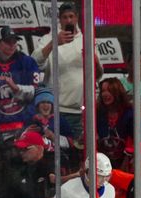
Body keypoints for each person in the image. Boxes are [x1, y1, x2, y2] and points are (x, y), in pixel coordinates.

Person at [32, 2, 103, 140]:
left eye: (71, 16)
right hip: (54, 111)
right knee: (52, 152)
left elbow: (98, 75)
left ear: (76, 18)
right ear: (59, 19)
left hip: (79, 111)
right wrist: (54, 43)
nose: (69, 20)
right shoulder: (49, 38)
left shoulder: (87, 40)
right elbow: (35, 62)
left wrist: (94, 60)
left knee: (76, 153)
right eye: (65, 17)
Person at [0, 27, 41, 144]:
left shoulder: (28, 62)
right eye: (8, 41)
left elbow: (37, 91)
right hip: (0, 125)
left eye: (14, 41)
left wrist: (17, 88)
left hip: (25, 124)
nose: (12, 45)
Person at [96, 78, 135, 166]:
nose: (105, 94)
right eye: (103, 91)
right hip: (102, 162)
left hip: (125, 162)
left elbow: (135, 140)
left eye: (109, 91)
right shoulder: (98, 113)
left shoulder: (129, 113)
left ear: (117, 93)